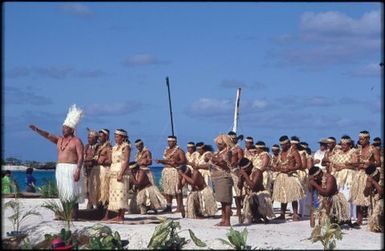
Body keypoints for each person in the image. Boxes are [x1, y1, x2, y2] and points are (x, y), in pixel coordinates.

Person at [29, 104, 85, 220]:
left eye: (65, 127)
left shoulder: (77, 141)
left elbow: (81, 156)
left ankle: (74, 216)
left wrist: (78, 170)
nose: (63, 129)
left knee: (72, 193)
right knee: (64, 193)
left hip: (72, 168)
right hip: (60, 169)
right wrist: (37, 130)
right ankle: (66, 214)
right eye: (63, 127)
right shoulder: (59, 140)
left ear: (72, 129)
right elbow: (48, 135)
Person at [350, 131, 381, 226]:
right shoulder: (357, 150)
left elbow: (379, 163)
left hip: (369, 175)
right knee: (358, 196)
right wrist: (356, 164)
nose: (360, 141)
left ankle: (371, 217)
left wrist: (369, 164)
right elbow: (354, 163)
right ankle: (359, 220)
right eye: (359, 139)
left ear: (368, 139)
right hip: (359, 174)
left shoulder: (374, 149)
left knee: (369, 196)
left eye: (362, 139)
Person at [272, 135, 304, 221]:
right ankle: (282, 214)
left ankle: (295, 214)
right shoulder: (281, 153)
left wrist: (290, 169)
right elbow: (278, 164)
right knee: (283, 195)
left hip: (291, 175)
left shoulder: (294, 152)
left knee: (293, 195)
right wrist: (277, 167)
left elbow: (299, 164)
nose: (282, 146)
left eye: (284, 145)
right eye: (281, 145)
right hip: (282, 176)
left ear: (288, 143)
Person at [103, 129, 131, 222]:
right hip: (113, 171)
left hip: (121, 171)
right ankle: (116, 215)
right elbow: (111, 160)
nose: (115, 138)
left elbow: (126, 161)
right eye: (115, 136)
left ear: (123, 138)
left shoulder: (126, 147)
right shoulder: (114, 147)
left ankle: (121, 216)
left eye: (117, 136)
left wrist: (121, 173)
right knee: (114, 194)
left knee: (121, 193)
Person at [156, 136, 187, 214]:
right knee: (167, 190)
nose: (169, 143)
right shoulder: (166, 150)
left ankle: (179, 207)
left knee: (176, 189)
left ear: (175, 142)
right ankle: (169, 207)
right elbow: (166, 161)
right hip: (166, 171)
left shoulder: (179, 151)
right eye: (168, 141)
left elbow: (184, 161)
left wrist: (176, 162)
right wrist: (161, 161)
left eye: (171, 141)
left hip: (174, 171)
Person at [238, 158, 274, 224]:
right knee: (249, 197)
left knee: (252, 197)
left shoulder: (257, 172)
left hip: (260, 195)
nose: (245, 171)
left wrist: (245, 175)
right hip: (249, 195)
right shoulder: (246, 173)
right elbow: (239, 187)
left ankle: (261, 216)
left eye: (245, 169)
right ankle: (255, 216)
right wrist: (240, 178)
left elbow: (253, 186)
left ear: (250, 166)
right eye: (243, 170)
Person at [209, 134, 234, 226]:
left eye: (220, 144)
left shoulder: (228, 152)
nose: (217, 146)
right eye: (217, 144)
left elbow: (224, 164)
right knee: (222, 200)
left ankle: (227, 221)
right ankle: (223, 219)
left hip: (224, 177)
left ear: (225, 144)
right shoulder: (219, 152)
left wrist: (212, 158)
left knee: (227, 201)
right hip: (218, 178)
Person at [83, 129, 101, 209]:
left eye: (90, 138)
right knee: (87, 188)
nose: (88, 139)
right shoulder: (86, 146)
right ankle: (90, 203)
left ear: (95, 138)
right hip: (87, 170)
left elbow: (96, 159)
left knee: (96, 187)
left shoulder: (99, 147)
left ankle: (98, 205)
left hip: (96, 170)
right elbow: (83, 156)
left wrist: (87, 160)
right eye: (88, 137)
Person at [228, 131, 244, 217]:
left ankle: (239, 210)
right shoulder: (226, 149)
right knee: (228, 192)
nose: (232, 140)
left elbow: (241, 160)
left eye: (234, 139)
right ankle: (228, 209)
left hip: (234, 170)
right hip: (226, 171)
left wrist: (236, 163)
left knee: (236, 192)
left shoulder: (238, 149)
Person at [363, 165, 383, 233]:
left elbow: (382, 192)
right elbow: (365, 194)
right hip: (376, 201)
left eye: (374, 176)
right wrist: (367, 187)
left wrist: (374, 182)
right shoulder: (369, 178)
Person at [96, 129, 112, 208]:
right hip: (100, 170)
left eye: (101, 136)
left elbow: (110, 161)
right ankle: (100, 205)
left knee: (105, 189)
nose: (99, 138)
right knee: (99, 189)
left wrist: (102, 162)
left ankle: (105, 205)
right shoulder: (100, 146)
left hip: (105, 170)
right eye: (99, 136)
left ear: (106, 137)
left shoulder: (108, 147)